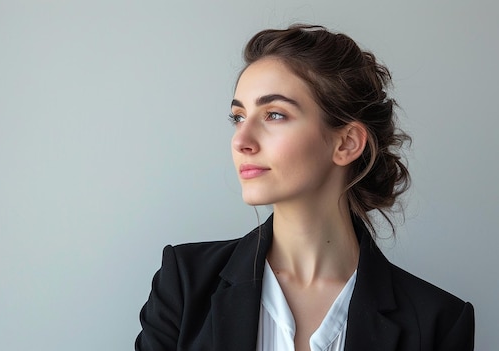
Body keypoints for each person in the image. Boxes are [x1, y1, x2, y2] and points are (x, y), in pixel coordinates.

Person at [135, 24, 475, 351]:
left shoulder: (436, 322)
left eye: (274, 115)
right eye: (238, 117)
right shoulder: (184, 283)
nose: (241, 140)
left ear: (346, 143)